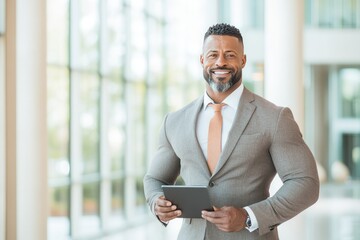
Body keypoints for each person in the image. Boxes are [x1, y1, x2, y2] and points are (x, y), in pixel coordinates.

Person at [143, 23, 319, 240]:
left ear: (243, 60)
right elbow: (154, 178)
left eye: (230, 55)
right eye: (213, 55)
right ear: (202, 60)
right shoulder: (175, 121)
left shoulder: (275, 117)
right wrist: (156, 202)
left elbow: (306, 182)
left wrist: (248, 216)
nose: (220, 62)